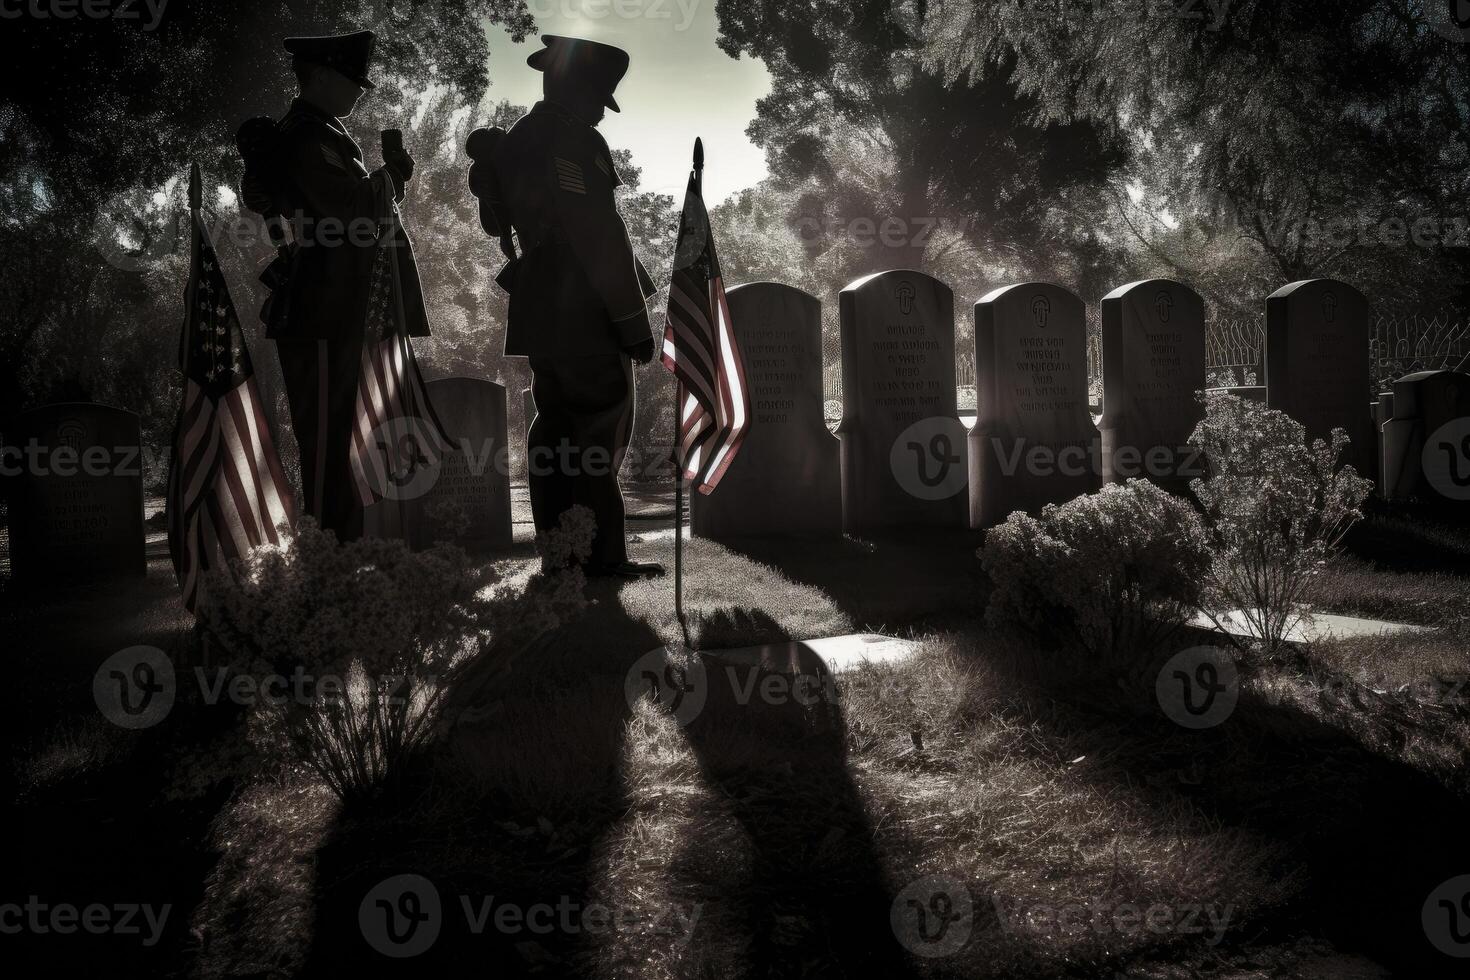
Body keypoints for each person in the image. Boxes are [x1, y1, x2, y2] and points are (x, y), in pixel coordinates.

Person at [470, 35, 664, 578]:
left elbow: (498, 221)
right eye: (600, 98)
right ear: (579, 89)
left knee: (555, 431)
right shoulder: (572, 140)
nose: (602, 112)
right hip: (584, 307)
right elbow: (597, 232)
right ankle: (599, 557)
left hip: (540, 304)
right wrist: (631, 321)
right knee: (598, 428)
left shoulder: (519, 138)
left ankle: (560, 554)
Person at [257, 29, 427, 541]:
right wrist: (390, 177)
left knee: (342, 436)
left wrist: (386, 180)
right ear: (323, 76)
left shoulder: (321, 135)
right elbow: (348, 211)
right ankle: (331, 553)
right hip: (323, 303)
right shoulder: (308, 138)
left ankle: (340, 550)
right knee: (330, 440)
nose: (359, 91)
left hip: (335, 300)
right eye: (352, 80)